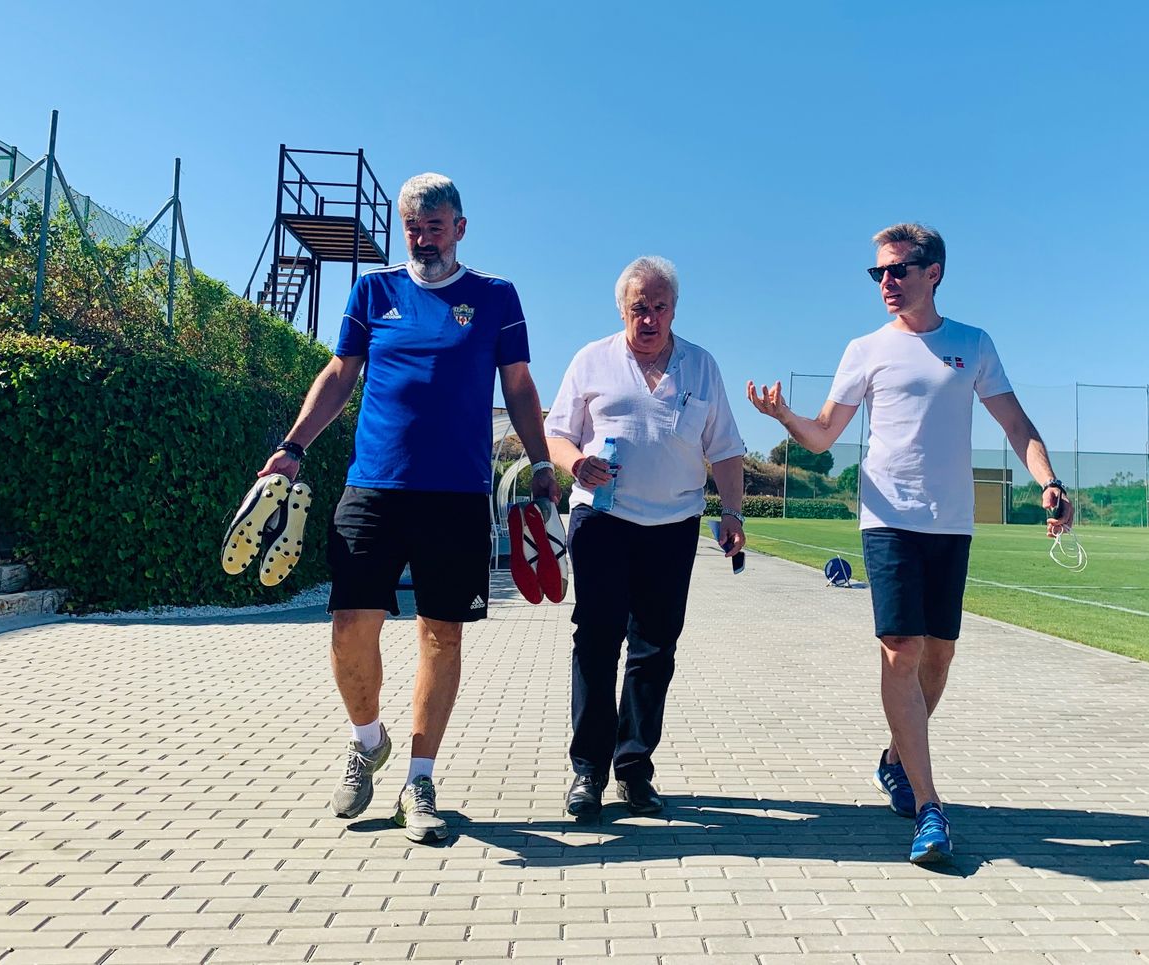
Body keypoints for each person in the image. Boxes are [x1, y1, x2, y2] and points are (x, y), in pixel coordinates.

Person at [747, 223, 1072, 864]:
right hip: (887, 519)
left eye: (898, 269)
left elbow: (1015, 422)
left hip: (949, 523)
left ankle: (897, 758)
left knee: (939, 657)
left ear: (934, 272)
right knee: (901, 649)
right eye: (879, 273)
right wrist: (785, 416)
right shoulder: (865, 350)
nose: (887, 282)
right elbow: (822, 434)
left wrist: (1049, 481)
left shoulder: (972, 345)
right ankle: (930, 808)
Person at [253, 173, 558, 843]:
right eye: (413, 227)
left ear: (460, 227)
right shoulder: (374, 291)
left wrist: (540, 462)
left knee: (440, 635)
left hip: (455, 496)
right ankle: (368, 742)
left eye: (435, 225)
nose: (423, 238)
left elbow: (521, 386)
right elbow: (339, 375)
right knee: (348, 624)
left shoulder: (496, 297)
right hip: (374, 487)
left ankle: (419, 780)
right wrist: (292, 446)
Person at [544, 256, 747, 819]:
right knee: (597, 640)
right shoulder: (591, 360)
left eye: (659, 308)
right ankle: (587, 772)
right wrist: (576, 463)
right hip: (602, 521)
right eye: (640, 309)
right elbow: (557, 433)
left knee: (655, 648)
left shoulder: (701, 367)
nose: (650, 319)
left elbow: (726, 448)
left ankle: (634, 769)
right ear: (622, 310)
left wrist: (733, 512)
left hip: (674, 526)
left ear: (674, 309)